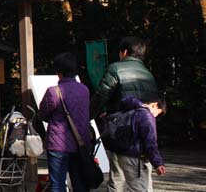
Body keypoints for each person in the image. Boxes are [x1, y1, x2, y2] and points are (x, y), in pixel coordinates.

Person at [91, 36, 159, 192]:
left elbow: (102, 95)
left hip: (120, 131)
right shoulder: (148, 74)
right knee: (141, 178)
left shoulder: (115, 69)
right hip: (142, 134)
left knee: (118, 177)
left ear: (125, 52)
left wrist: (90, 115)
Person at [38, 52, 92, 192]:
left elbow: (43, 114)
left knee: (57, 185)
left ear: (58, 71)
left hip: (58, 145)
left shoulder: (53, 92)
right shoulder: (84, 90)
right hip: (80, 144)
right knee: (80, 184)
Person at [103, 94, 167, 192]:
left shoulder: (128, 110)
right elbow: (150, 142)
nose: (156, 116)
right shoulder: (146, 115)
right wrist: (157, 163)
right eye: (158, 113)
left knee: (117, 183)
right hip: (135, 158)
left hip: (120, 153)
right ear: (155, 105)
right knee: (139, 188)